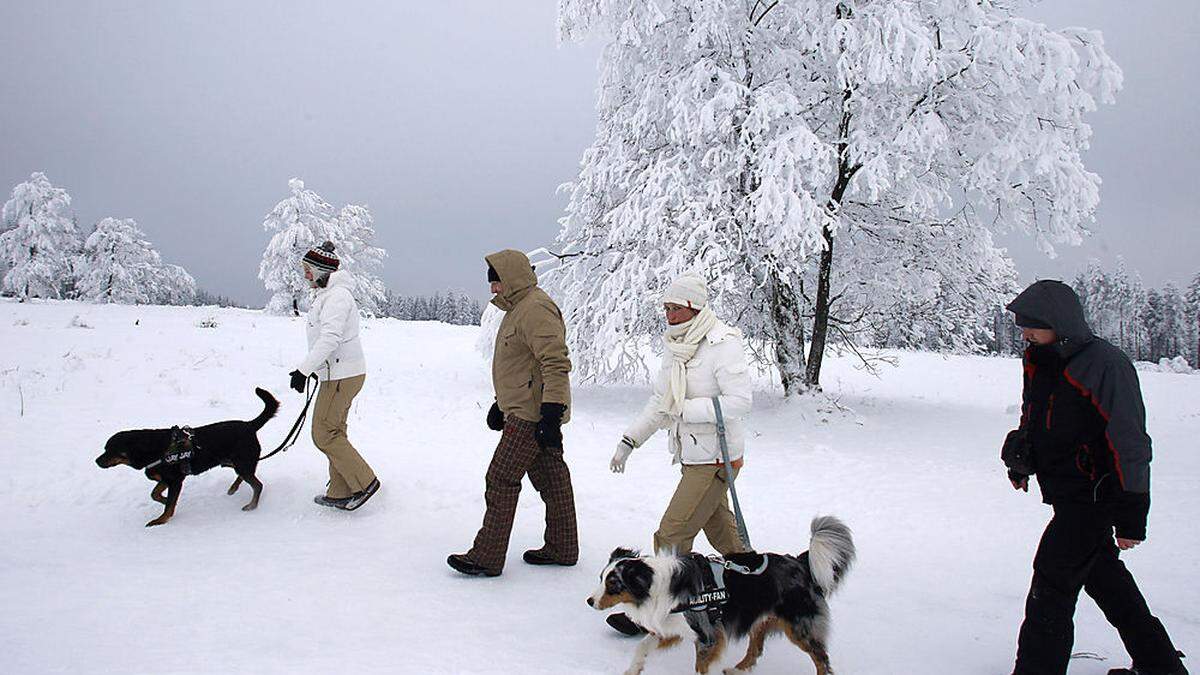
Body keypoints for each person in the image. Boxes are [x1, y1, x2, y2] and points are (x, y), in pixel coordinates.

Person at [1004, 280, 1187, 675]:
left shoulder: (1105, 364)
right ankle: (1161, 665)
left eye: (1032, 324)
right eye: (1022, 325)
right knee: (1105, 578)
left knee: (1050, 588)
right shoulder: (1040, 357)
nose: (1025, 332)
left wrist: (1133, 511)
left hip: (1095, 497)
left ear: (1060, 321)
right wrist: (1022, 458)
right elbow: (1034, 413)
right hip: (1066, 491)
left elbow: (1131, 442)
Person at [606, 272, 752, 635]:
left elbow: (739, 402)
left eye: (675, 308)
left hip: (717, 459)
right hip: (692, 456)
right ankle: (757, 587)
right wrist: (630, 440)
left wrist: (687, 410)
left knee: (671, 534)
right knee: (725, 538)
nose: (668, 315)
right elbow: (661, 403)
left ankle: (651, 608)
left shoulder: (723, 344)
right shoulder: (676, 346)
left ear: (695, 307)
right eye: (666, 308)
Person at [447, 249, 578, 577]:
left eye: (497, 282)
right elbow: (521, 364)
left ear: (512, 278)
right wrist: (500, 403)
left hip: (532, 415)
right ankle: (563, 547)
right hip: (523, 409)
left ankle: (487, 556)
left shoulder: (535, 309)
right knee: (551, 477)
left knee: (501, 478)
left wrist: (551, 413)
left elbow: (555, 362)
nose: (493, 289)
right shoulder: (520, 308)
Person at [289, 241, 380, 512]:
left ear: (320, 270)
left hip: (342, 374)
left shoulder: (337, 296)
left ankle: (365, 483)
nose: (305, 274)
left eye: (308, 270)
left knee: (323, 433)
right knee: (334, 431)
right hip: (337, 373)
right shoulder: (328, 294)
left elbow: (330, 337)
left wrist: (304, 370)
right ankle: (341, 490)